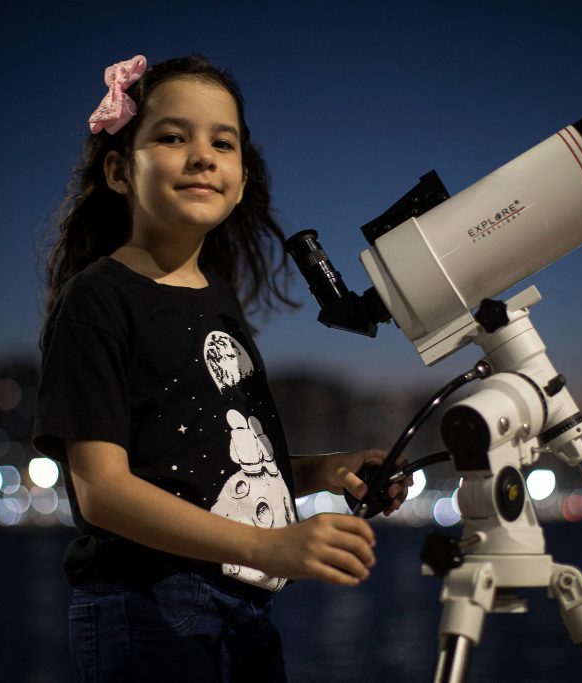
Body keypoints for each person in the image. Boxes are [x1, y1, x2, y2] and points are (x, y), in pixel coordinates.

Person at [33, 53, 411, 682]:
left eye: (222, 142)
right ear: (120, 171)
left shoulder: (218, 301)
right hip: (150, 604)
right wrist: (268, 544)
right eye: (172, 137)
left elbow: (210, 465)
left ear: (241, 177)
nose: (202, 157)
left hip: (244, 608)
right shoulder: (98, 299)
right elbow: (102, 491)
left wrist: (325, 470)